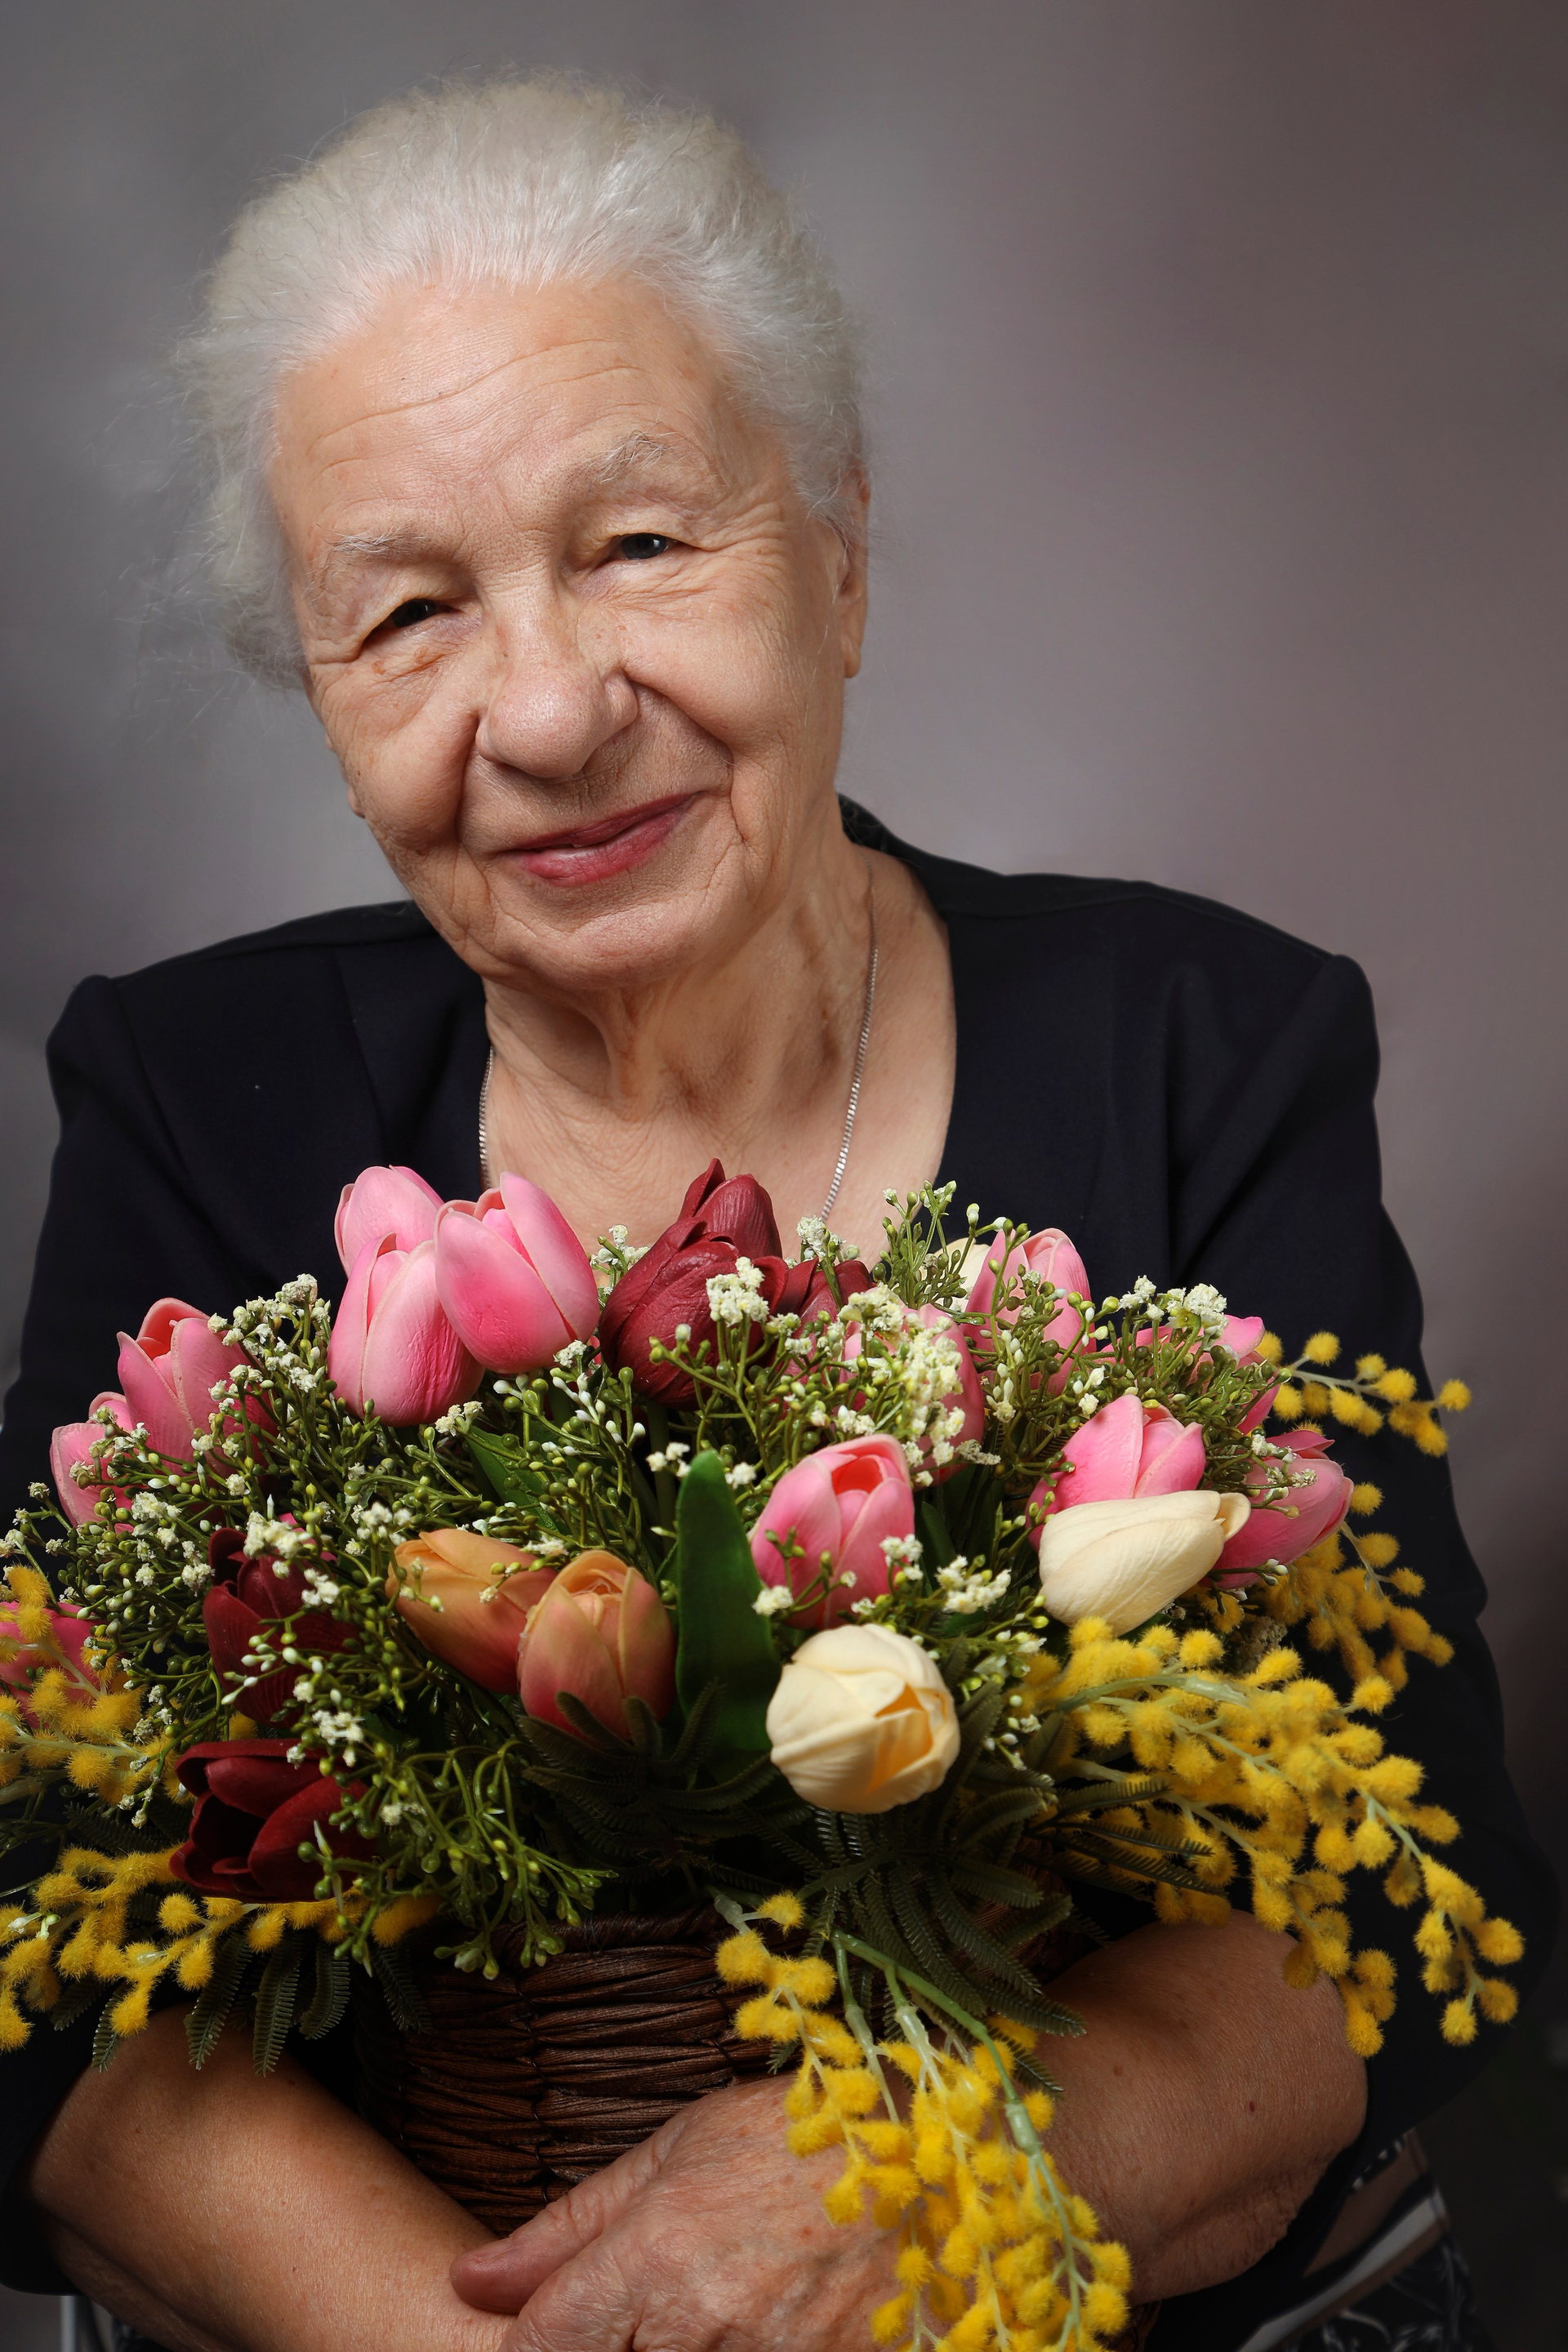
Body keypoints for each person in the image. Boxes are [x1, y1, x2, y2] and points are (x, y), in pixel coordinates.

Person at [0, 77, 1550, 2352]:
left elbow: (1406, 1882)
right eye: (410, 610)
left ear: (838, 555)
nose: (549, 713)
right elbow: (42, 1941)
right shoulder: (194, 1095)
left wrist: (943, 2184)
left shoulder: (1196, 1041)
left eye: (641, 544)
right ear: (321, 696)